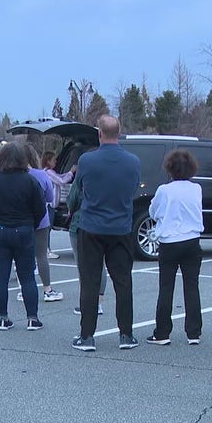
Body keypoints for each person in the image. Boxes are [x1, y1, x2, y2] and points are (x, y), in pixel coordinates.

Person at [71, 115, 141, 352]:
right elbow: (133, 188)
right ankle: (126, 334)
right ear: (119, 133)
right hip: (121, 227)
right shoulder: (133, 162)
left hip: (91, 227)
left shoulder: (87, 160)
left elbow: (80, 188)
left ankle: (87, 336)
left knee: (89, 282)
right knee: (123, 282)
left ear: (99, 134)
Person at [0, 143, 47, 331]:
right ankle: (32, 317)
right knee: (26, 276)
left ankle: (3, 317)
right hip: (23, 229)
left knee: (0, 275)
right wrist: (31, 224)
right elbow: (40, 208)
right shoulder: (30, 180)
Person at [145, 149, 204, 346]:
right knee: (191, 286)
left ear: (169, 169)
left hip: (169, 242)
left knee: (166, 287)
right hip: (192, 240)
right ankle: (193, 332)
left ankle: (162, 332)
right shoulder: (197, 188)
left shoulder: (164, 190)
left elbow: (153, 212)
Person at [21, 144, 64, 303]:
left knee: (23, 256)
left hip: (21, 220)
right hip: (40, 220)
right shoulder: (41, 175)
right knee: (41, 255)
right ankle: (47, 289)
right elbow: (49, 198)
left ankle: (23, 289)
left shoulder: (15, 175)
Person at [66, 172, 107, 317]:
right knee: (100, 264)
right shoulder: (107, 178)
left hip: (80, 223)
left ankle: (87, 301)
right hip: (104, 223)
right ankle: (99, 302)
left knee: (82, 266)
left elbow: (71, 201)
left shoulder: (81, 180)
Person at [42, 150, 75, 259]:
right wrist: (71, 172)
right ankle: (46, 250)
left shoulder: (49, 172)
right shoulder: (48, 172)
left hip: (51, 205)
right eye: (53, 160)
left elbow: (60, 176)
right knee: (48, 228)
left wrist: (69, 172)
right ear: (48, 161)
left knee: (48, 227)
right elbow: (61, 180)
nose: (56, 161)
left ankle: (46, 249)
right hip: (49, 205)